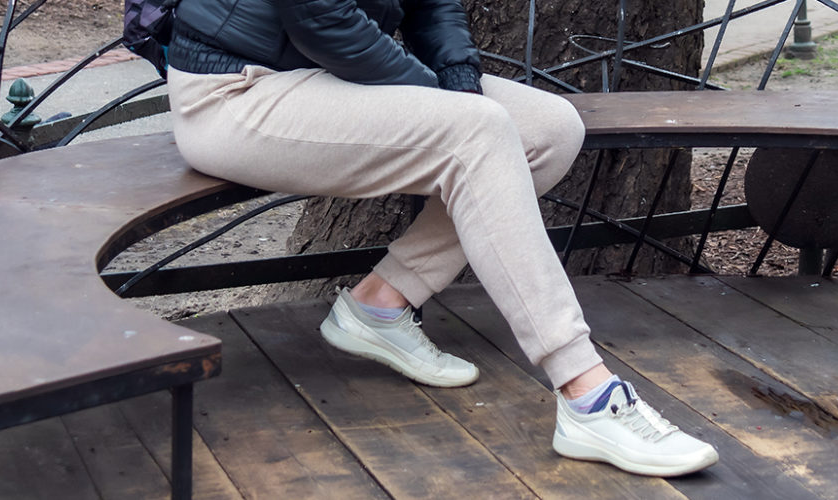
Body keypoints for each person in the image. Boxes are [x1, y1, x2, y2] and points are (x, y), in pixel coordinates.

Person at [164, 0, 718, 477]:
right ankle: (586, 392)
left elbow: (434, 5)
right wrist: (449, 102)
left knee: (549, 129)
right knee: (476, 130)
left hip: (328, 76)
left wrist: (459, 78)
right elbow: (321, 16)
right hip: (237, 92)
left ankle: (381, 303)